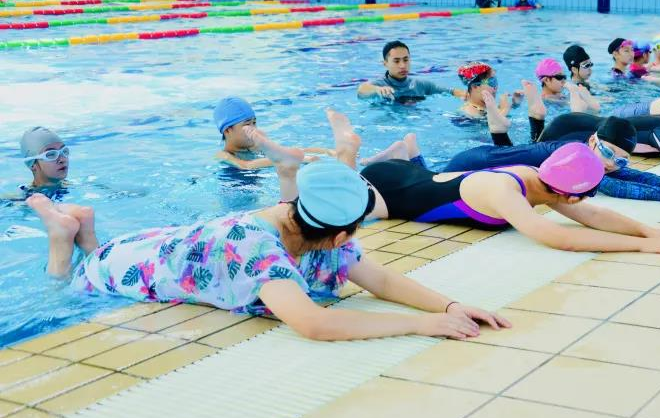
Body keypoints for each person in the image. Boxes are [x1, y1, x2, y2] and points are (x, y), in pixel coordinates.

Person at [30, 154, 509, 341]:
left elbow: (380, 279)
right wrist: (422, 325)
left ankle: (82, 233)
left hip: (153, 247)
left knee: (99, 255)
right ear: (340, 236)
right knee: (69, 286)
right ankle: (61, 241)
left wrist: (450, 305)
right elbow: (316, 324)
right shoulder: (259, 252)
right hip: (124, 268)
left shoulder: (305, 218)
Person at [359, 141, 660, 255]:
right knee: (352, 212)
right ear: (570, 194)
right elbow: (560, 238)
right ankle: (348, 157)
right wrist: (640, 246)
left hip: (412, 174)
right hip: (388, 190)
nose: (583, 202)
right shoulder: (504, 190)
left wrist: (649, 231)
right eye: (584, 194)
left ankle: (403, 153)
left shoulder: (541, 177)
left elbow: (593, 216)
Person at [446, 116, 660, 206]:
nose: (611, 164)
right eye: (607, 153)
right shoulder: (576, 157)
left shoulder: (595, 155)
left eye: (620, 160)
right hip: (470, 165)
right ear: (592, 141)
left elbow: (636, 176)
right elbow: (618, 187)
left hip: (487, 162)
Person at [213, 97, 330, 170]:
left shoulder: (255, 147)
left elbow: (286, 151)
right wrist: (288, 158)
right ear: (227, 130)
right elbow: (246, 165)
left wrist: (328, 152)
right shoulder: (223, 155)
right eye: (247, 124)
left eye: (254, 123)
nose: (254, 129)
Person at [357, 40, 464, 102]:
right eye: (396, 61)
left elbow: (452, 92)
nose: (402, 65)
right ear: (385, 63)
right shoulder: (381, 85)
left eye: (406, 60)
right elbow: (361, 90)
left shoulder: (419, 84)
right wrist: (377, 89)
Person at [2, 127, 70, 202]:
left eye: (64, 151)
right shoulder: (22, 200)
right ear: (33, 165)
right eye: (51, 154)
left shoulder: (71, 185)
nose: (62, 159)